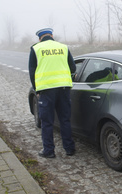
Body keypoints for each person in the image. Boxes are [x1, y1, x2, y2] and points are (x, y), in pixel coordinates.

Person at [28, 28, 76, 158]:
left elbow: (32, 72)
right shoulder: (63, 47)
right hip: (64, 89)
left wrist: (37, 89)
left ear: (40, 38)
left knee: (47, 121)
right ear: (52, 36)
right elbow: (73, 68)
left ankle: (49, 151)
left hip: (46, 90)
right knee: (65, 119)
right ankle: (69, 148)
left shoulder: (36, 49)